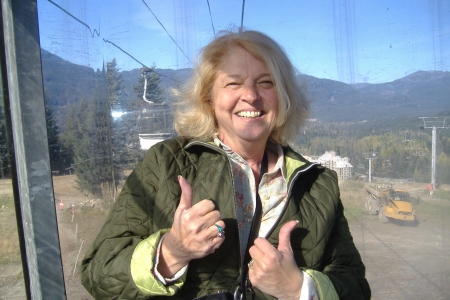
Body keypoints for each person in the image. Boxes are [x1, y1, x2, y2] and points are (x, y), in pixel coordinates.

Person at [81, 29, 371, 300]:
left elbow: (354, 283)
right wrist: (171, 252)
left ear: (283, 97)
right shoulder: (166, 163)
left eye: (266, 82)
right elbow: (97, 271)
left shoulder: (318, 185)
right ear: (209, 97)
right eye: (233, 82)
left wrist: (298, 288)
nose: (251, 96)